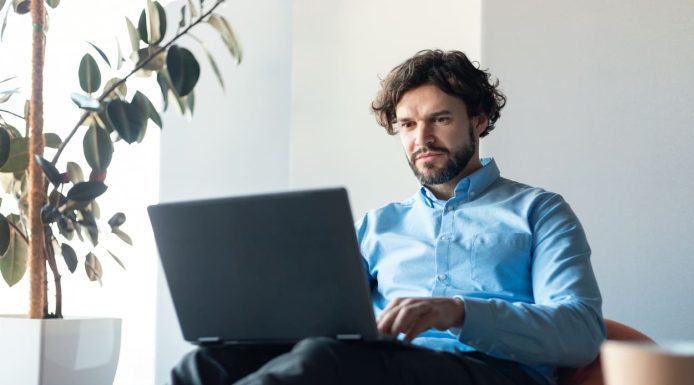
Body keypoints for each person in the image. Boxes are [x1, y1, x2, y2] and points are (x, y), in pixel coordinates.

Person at [171, 49, 606, 385]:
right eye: (407, 125)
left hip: (494, 373)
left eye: (440, 119)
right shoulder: (376, 225)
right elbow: (330, 322)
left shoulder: (540, 211)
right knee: (207, 364)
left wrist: (455, 312)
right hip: (383, 363)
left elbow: (582, 331)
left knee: (325, 363)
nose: (423, 138)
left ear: (480, 120)